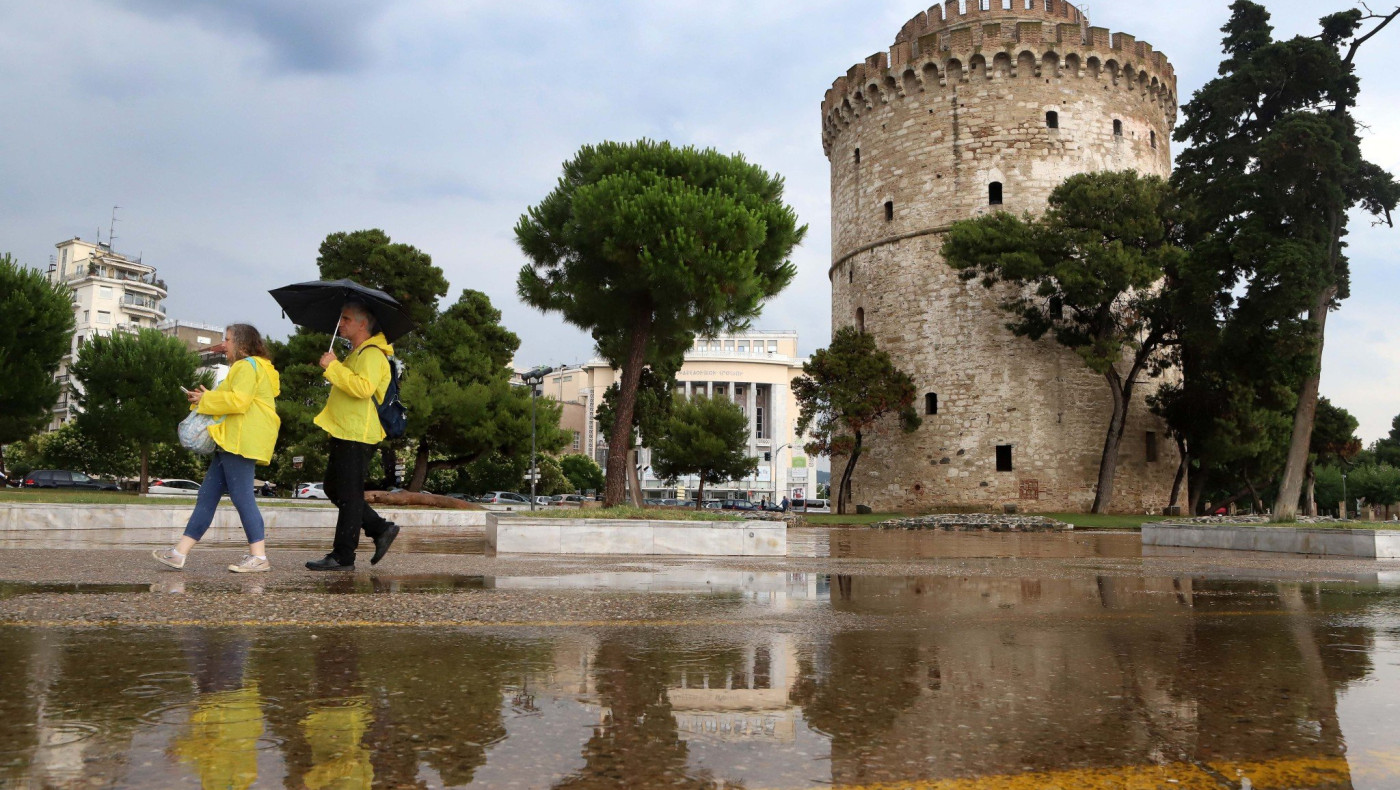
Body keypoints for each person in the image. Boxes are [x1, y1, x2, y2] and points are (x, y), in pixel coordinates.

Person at [154, 324, 281, 573]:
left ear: (242, 344)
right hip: (232, 439)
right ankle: (178, 553)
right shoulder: (251, 368)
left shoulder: (246, 366)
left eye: (228, 339)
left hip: (240, 440)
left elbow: (239, 401)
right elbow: (227, 398)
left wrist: (207, 399)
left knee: (242, 497)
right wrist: (203, 398)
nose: (224, 344)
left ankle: (259, 557)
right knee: (207, 496)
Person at [306, 301, 399, 571]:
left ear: (362, 324)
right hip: (346, 429)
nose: (340, 324)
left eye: (346, 319)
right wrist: (335, 366)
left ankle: (343, 556)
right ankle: (380, 529)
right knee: (335, 489)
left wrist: (333, 367)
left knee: (348, 494)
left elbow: (362, 388)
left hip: (358, 432)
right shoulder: (357, 353)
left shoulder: (371, 354)